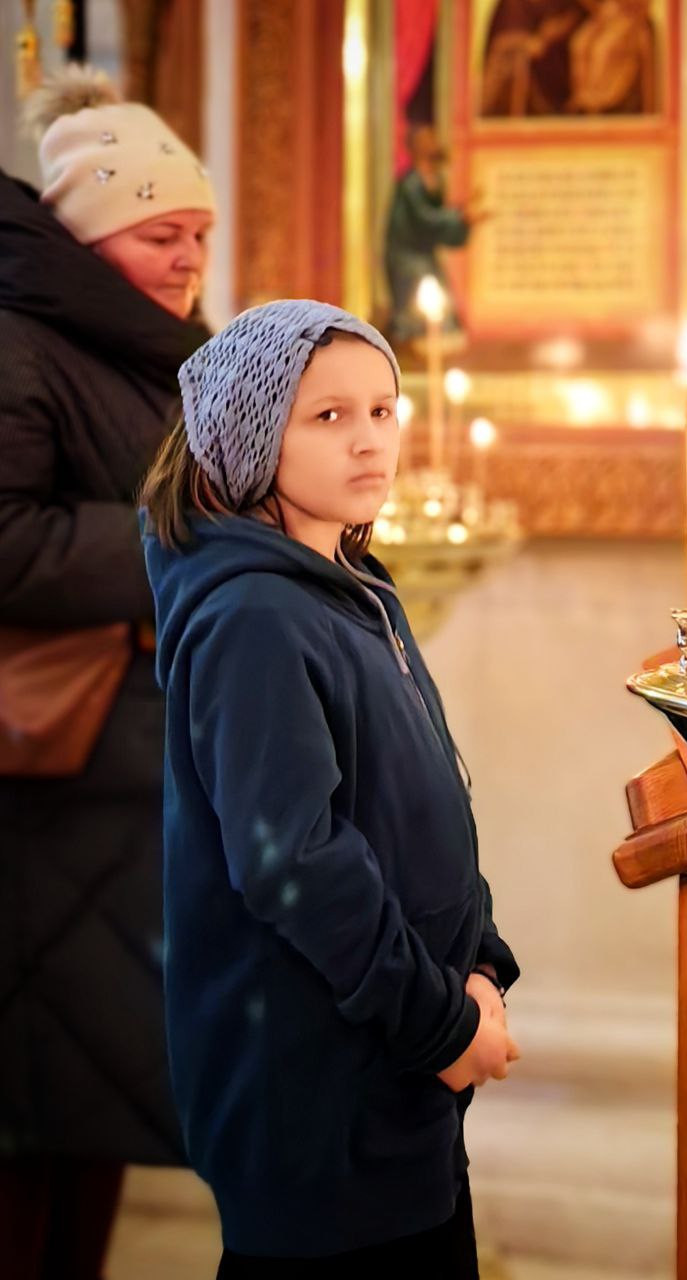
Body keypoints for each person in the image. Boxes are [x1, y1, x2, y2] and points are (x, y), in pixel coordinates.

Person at [139, 299, 521, 1276]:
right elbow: (296, 865)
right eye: (328, 416)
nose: (370, 440)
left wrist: (480, 964)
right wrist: (443, 1023)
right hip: (317, 1095)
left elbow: (424, 807)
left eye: (383, 410)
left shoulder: (352, 584)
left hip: (396, 1068)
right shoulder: (255, 618)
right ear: (249, 436)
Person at [0, 65, 215, 1278]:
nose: (188, 259)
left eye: (198, 233)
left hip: (121, 773)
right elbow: (7, 541)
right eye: (159, 233)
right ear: (85, 235)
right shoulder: (22, 345)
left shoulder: (145, 350)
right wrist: (188, 534)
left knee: (96, 1096)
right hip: (46, 779)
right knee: (37, 1110)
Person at [384, 124, 485, 344]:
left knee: (441, 304)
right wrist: (459, 217)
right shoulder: (410, 184)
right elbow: (424, 218)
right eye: (424, 141)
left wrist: (461, 216)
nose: (430, 145)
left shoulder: (435, 180)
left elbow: (438, 218)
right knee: (416, 303)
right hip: (407, 257)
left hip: (425, 255)